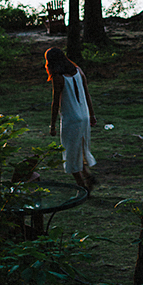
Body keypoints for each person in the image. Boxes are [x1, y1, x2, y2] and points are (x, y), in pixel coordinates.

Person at [46, 47, 98, 191]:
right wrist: (92, 115)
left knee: (70, 154)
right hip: (84, 117)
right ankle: (87, 176)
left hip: (71, 119)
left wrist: (52, 125)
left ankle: (82, 186)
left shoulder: (58, 78)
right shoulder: (78, 71)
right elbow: (87, 94)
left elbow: (56, 103)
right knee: (79, 150)